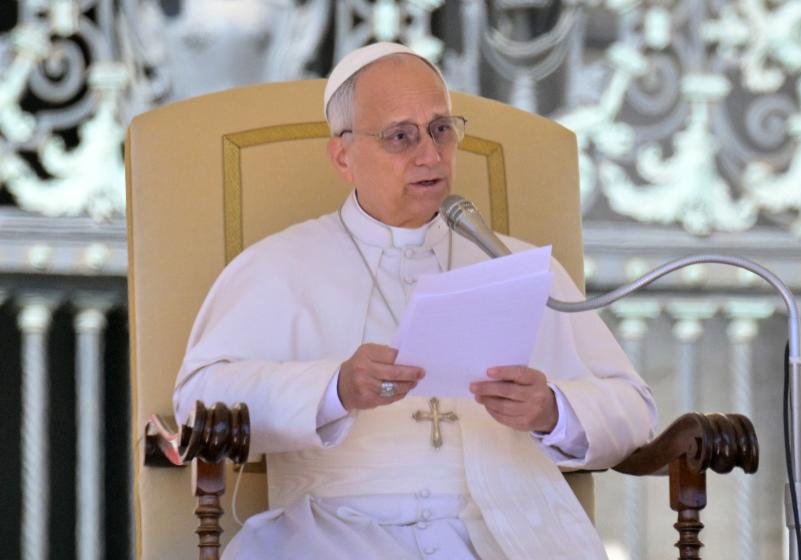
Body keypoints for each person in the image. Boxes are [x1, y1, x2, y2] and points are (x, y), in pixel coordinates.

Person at [174, 42, 657, 559]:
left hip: (507, 530)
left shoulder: (513, 265)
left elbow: (635, 409)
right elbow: (196, 402)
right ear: (342, 155)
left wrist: (552, 410)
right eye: (400, 136)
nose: (430, 154)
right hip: (332, 533)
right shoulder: (277, 266)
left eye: (441, 130)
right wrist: (332, 389)